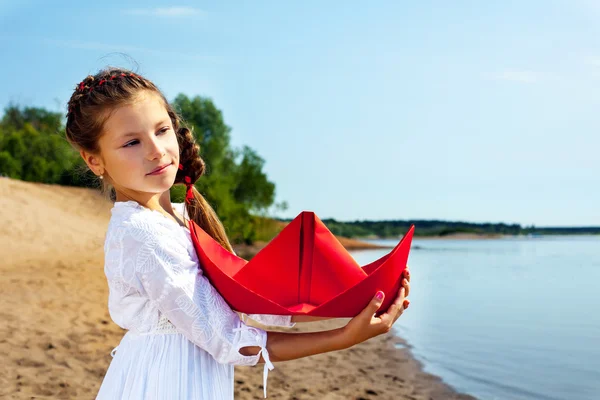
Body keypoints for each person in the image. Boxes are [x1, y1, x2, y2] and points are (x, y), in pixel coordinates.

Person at [64, 67, 411, 399]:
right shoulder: (143, 235)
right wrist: (343, 337)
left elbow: (241, 300)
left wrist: (353, 300)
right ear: (95, 160)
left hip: (184, 374)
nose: (155, 150)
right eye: (131, 143)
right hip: (167, 381)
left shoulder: (179, 219)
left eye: (161, 130)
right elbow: (229, 340)